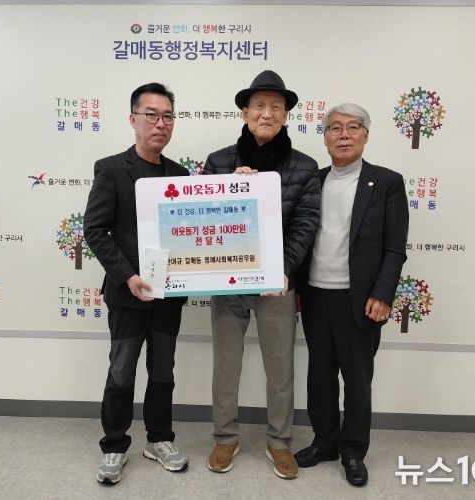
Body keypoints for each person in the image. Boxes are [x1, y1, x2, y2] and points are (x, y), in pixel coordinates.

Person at [203, 70, 321, 479]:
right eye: (258, 106)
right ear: (245, 112)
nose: (266, 113)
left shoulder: (305, 166)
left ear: (286, 115)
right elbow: (202, 221)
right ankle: (225, 437)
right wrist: (229, 191)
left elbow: (306, 224)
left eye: (275, 107)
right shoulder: (219, 162)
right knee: (226, 365)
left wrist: (282, 269)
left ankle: (280, 442)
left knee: (280, 366)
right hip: (227, 279)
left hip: (277, 283)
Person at [294, 103, 409, 487]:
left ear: (366, 135)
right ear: (325, 137)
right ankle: (325, 441)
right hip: (315, 294)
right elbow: (300, 236)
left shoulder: (387, 182)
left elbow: (395, 247)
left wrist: (383, 294)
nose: (344, 134)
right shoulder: (314, 180)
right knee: (319, 375)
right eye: (335, 128)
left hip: (359, 299)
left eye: (353, 127)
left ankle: (353, 450)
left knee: (357, 379)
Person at [83, 82, 189, 486]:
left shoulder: (180, 175)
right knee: (122, 370)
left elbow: (189, 234)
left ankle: (160, 439)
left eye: (168, 116)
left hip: (168, 296)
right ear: (133, 119)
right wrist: (127, 276)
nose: (161, 124)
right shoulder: (111, 169)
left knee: (163, 371)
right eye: (152, 115)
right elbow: (95, 230)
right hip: (128, 294)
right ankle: (114, 445)